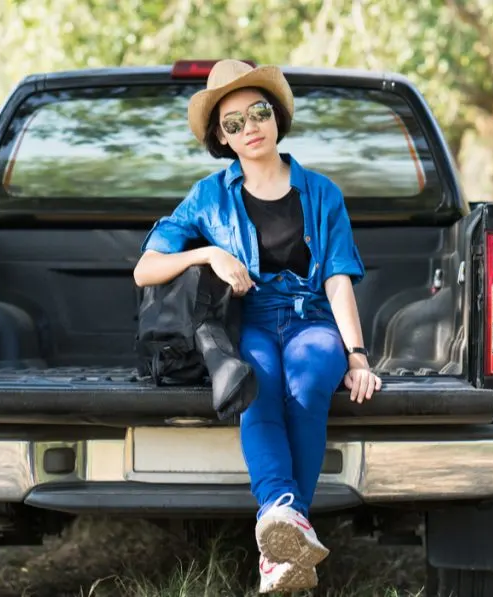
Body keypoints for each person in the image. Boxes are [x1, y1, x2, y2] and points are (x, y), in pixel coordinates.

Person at [133, 59, 382, 593]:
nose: (250, 128)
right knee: (257, 384)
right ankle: (286, 524)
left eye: (259, 113)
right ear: (221, 138)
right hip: (251, 321)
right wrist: (208, 254)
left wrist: (357, 356)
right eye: (233, 123)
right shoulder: (209, 196)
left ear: (276, 117)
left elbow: (338, 279)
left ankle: (281, 534)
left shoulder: (322, 193)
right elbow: (145, 268)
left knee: (311, 378)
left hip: (313, 318)